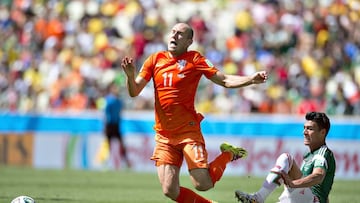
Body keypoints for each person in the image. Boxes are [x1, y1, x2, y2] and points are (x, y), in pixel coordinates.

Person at [121, 22, 268, 203]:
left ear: (189, 41)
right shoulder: (154, 59)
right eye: (173, 32)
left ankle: (228, 154)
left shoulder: (195, 59)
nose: (174, 36)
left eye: (180, 34)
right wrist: (129, 76)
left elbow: (225, 80)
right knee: (169, 190)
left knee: (202, 184)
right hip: (164, 135)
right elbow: (134, 91)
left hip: (188, 132)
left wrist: (251, 80)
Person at [235, 111, 336, 203]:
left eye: (309, 129)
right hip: (304, 198)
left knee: (286, 158)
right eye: (304, 128)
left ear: (322, 132)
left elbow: (318, 176)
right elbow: (323, 190)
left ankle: (258, 198)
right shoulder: (309, 154)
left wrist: (293, 183)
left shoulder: (323, 152)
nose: (304, 132)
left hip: (312, 200)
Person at [103, 82, 131, 169]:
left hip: (116, 125)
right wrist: (105, 126)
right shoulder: (108, 100)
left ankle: (126, 163)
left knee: (121, 144)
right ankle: (107, 162)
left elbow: (119, 113)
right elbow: (105, 114)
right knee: (108, 144)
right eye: (114, 88)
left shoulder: (119, 101)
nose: (116, 90)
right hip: (109, 125)